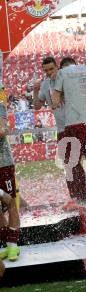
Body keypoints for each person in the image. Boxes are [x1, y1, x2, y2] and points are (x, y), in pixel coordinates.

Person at [52, 57, 86, 211]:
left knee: (72, 161)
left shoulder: (62, 73)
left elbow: (55, 101)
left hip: (73, 123)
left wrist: (61, 98)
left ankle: (78, 199)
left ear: (62, 67)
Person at [0, 99, 20, 262]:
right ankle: (7, 243)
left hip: (3, 164)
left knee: (10, 202)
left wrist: (3, 129)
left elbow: (3, 130)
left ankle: (12, 244)